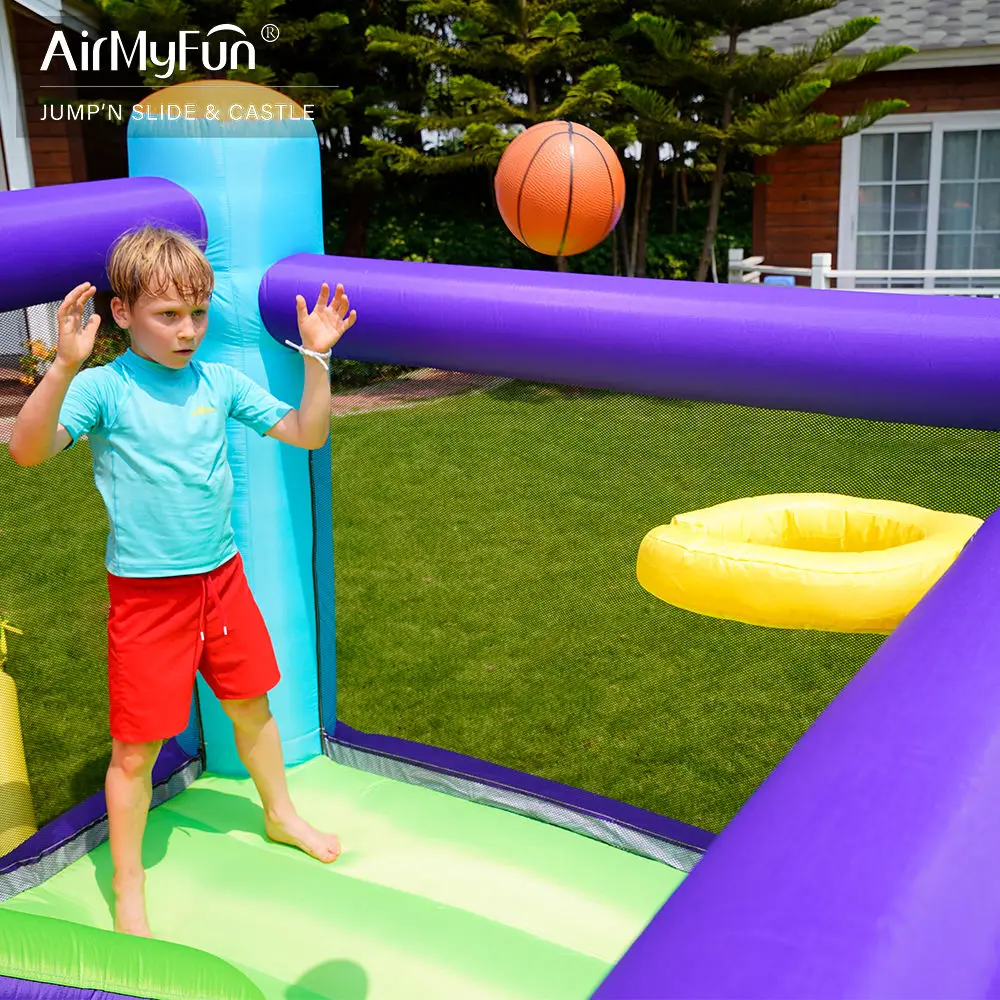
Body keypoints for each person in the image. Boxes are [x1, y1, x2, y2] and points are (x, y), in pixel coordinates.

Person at [8, 225, 356, 938]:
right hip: (147, 598)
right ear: (124, 311)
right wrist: (62, 369)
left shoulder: (220, 381)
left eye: (197, 313)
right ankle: (129, 885)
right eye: (168, 315)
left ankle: (279, 813)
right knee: (135, 751)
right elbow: (27, 451)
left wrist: (316, 356)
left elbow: (308, 433)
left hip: (221, 581)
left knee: (252, 705)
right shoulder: (103, 387)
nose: (187, 330)